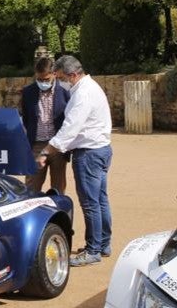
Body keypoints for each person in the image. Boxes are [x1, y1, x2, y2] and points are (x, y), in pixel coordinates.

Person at [37, 55, 112, 266]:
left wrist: (46, 151)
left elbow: (71, 127)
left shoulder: (83, 93)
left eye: (61, 77)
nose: (61, 81)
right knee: (100, 200)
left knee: (90, 203)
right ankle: (103, 243)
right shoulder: (88, 88)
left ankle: (93, 249)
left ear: (72, 74)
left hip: (89, 153)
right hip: (100, 149)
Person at [20, 56, 71, 193]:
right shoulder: (28, 92)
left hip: (57, 146)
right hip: (36, 146)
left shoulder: (66, 92)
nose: (42, 82)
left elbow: (69, 119)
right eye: (39, 79)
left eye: (46, 79)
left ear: (54, 74)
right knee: (31, 188)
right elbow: (26, 118)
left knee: (58, 188)